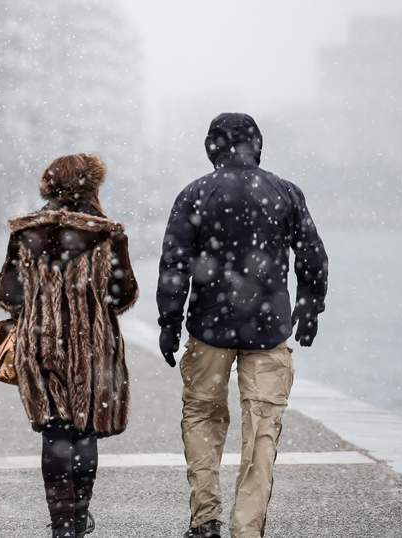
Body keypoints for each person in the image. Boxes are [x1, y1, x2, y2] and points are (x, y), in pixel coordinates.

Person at [156, 113, 328, 538]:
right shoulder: (285, 192)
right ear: (257, 145)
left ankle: (205, 517)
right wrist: (308, 309)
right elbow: (313, 258)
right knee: (262, 428)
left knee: (202, 416)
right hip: (269, 331)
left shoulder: (195, 194)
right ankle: (247, 527)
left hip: (209, 329)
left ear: (213, 147)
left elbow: (174, 266)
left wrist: (169, 322)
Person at [0, 153, 138, 538]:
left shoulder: (25, 232)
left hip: (40, 344)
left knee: (54, 431)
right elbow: (122, 295)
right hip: (92, 347)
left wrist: (40, 295)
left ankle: (61, 525)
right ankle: (78, 518)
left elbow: (8, 294)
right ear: (90, 186)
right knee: (85, 432)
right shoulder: (107, 233)